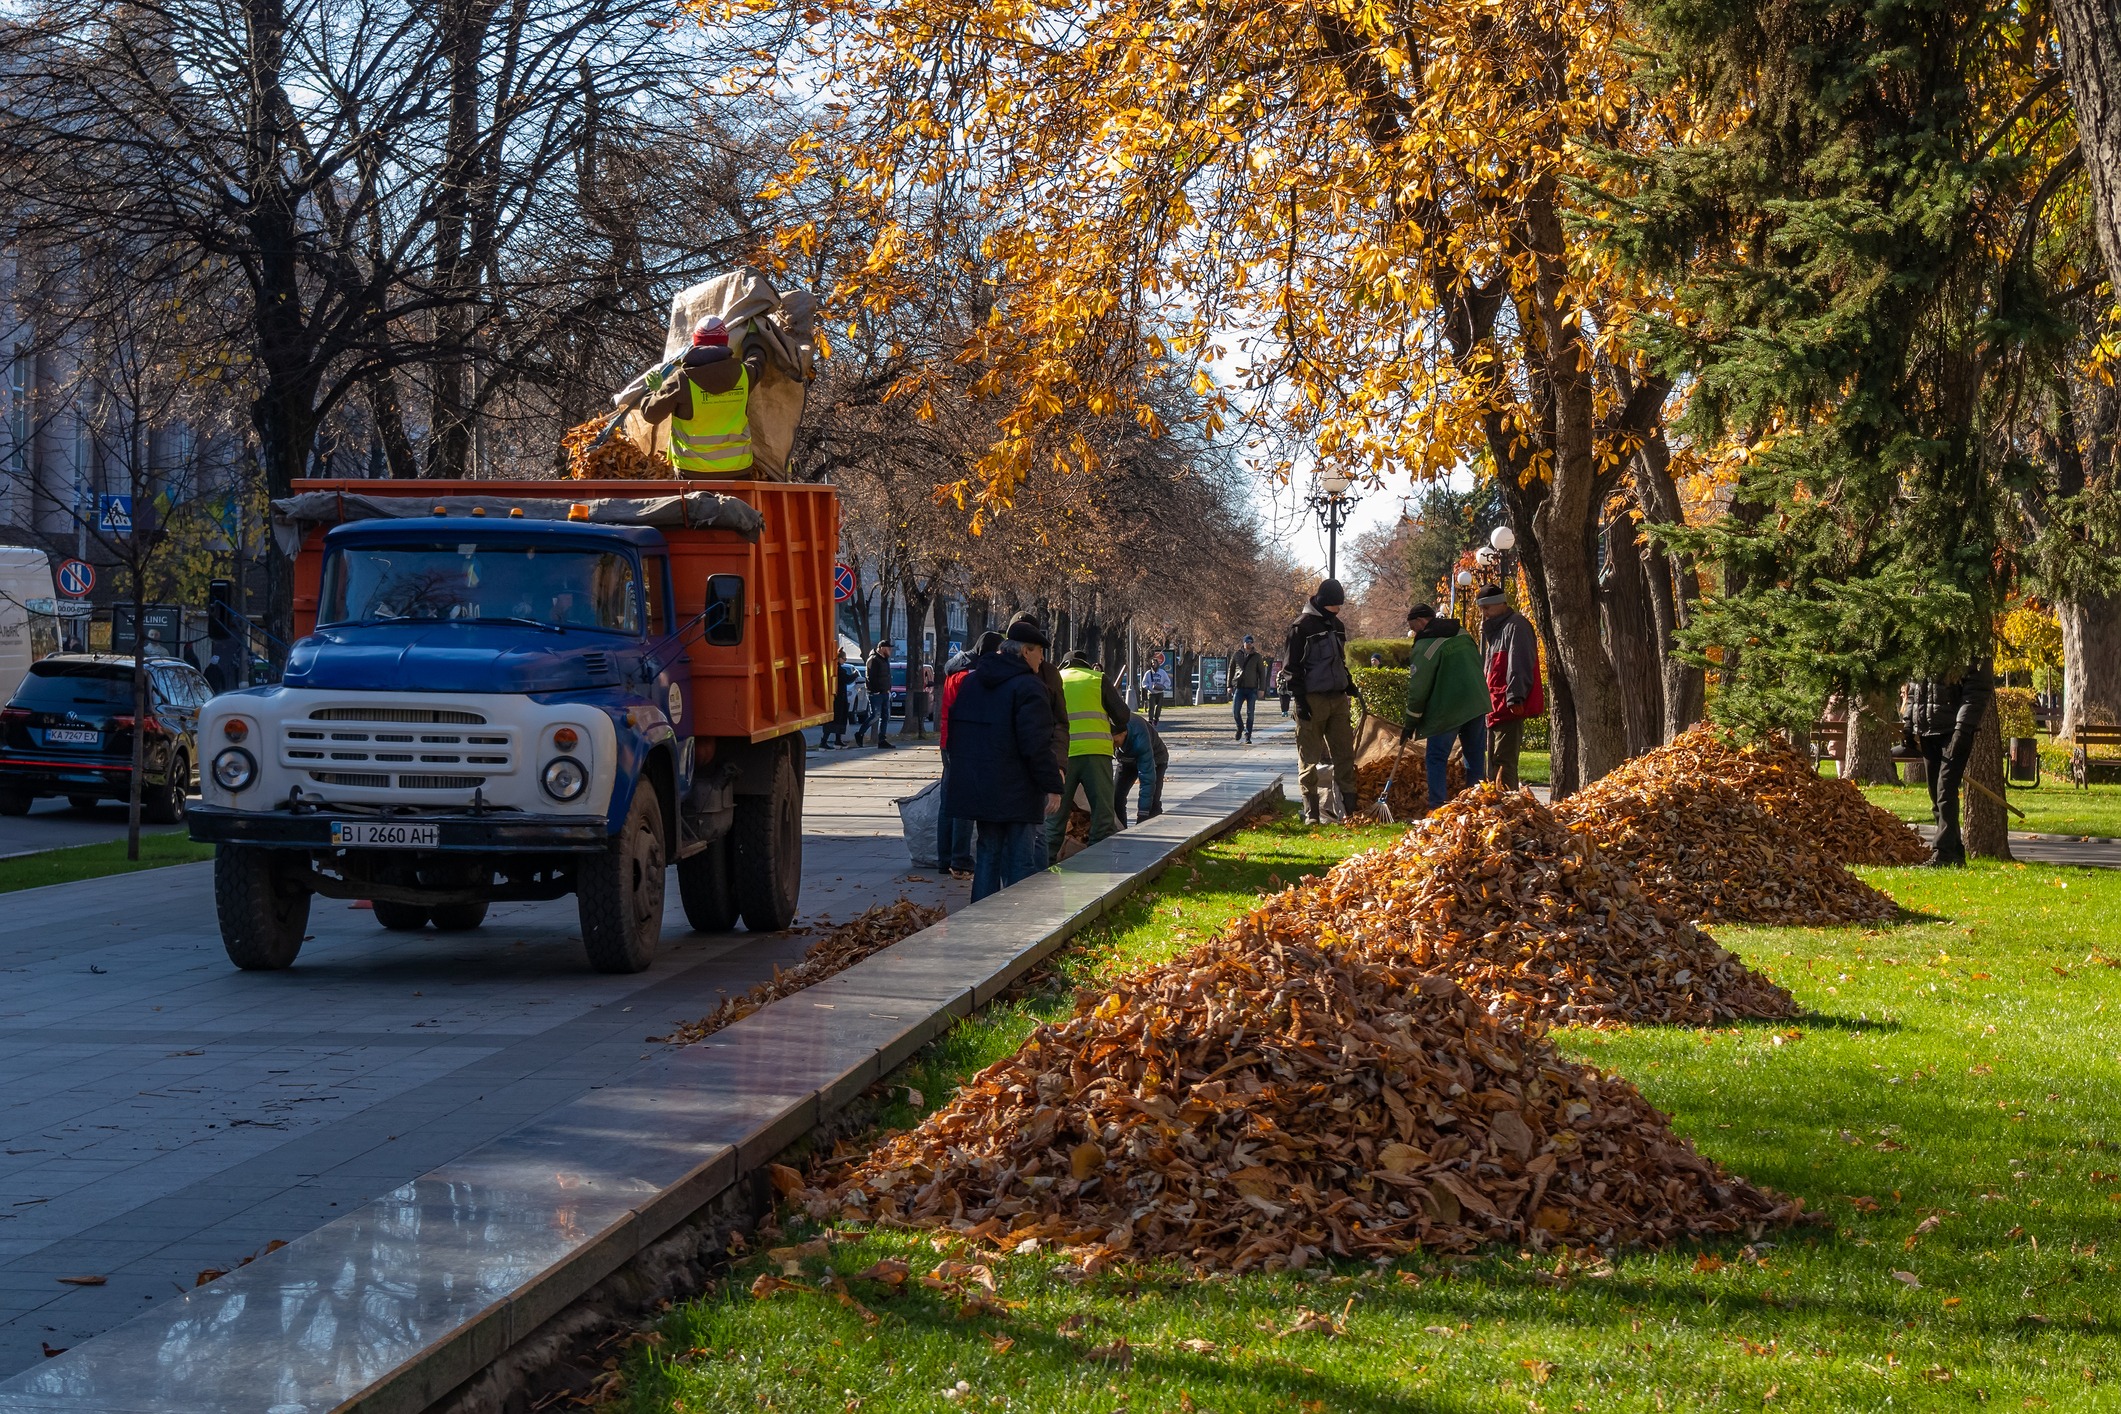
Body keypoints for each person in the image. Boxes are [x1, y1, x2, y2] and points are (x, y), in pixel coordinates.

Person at [943, 620, 1064, 900]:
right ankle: (1016, 922)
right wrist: (1053, 785)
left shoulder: (973, 681)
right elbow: (1036, 744)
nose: (1042, 659)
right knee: (1020, 858)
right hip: (1017, 789)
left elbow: (957, 734)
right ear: (1025, 652)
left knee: (987, 853)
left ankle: (980, 918)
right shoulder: (1029, 687)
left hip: (980, 787)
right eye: (1039, 653)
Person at [639, 316, 767, 477]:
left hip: (693, 473)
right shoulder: (745, 374)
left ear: (695, 342)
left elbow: (651, 414)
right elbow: (758, 361)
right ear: (726, 342)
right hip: (738, 470)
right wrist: (753, 336)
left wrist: (656, 391)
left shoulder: (682, 381)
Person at [1903, 658, 1994, 867]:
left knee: (1945, 790)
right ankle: (1953, 853)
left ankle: (1943, 853)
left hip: (1953, 730)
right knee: (1936, 793)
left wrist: (1963, 728)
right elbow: (1914, 688)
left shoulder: (1969, 645)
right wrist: (1909, 722)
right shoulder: (1926, 642)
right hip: (1927, 729)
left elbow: (1977, 691)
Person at [1399, 605, 1488, 812]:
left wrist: (1410, 722)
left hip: (1447, 709)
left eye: (1414, 628)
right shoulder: (1462, 633)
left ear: (1422, 621)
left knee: (1436, 757)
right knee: (1474, 756)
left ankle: (1438, 808)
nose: (1414, 633)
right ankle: (1476, 805)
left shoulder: (1425, 646)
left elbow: (1418, 689)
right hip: (1476, 703)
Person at [1284, 578, 1358, 823]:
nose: (1337, 612)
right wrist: (1299, 699)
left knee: (1344, 754)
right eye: (1333, 607)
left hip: (1337, 698)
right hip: (1311, 699)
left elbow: (1339, 660)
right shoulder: (1301, 627)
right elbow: (1290, 668)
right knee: (1309, 758)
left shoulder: (1337, 625)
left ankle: (1351, 810)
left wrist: (1348, 682)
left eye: (1339, 607)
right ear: (1322, 603)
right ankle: (1311, 813)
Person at [1044, 649, 1130, 859]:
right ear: (1086, 664)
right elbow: (1123, 716)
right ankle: (1097, 862)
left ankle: (1044, 865)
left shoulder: (1054, 678)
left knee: (1056, 815)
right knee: (1103, 814)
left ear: (1064, 665)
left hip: (1063, 756)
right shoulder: (1097, 679)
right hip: (1096, 754)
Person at [935, 632, 1000, 878]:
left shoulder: (955, 672)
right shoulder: (970, 677)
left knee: (948, 801)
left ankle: (945, 859)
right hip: (965, 743)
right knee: (965, 801)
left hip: (948, 741)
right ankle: (961, 859)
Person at [1476, 585, 1544, 787]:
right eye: (1482, 608)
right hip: (1495, 705)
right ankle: (1499, 802)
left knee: (1503, 761)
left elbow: (1520, 663)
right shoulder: (1497, 632)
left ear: (1503, 604)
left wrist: (1516, 696)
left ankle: (1507, 802)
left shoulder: (1516, 626)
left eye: (1488, 608)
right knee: (1495, 761)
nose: (1484, 613)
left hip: (1507, 704)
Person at [1113, 712, 1168, 827]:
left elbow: (1147, 780)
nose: (1114, 746)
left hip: (1155, 758)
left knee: (1152, 801)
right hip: (1126, 760)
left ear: (1124, 733)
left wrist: (1142, 816)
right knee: (1116, 797)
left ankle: (1152, 830)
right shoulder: (1112, 732)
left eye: (1116, 742)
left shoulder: (1140, 740)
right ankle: (1120, 831)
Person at [1230, 634, 1266, 742]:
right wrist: (1229, 685)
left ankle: (1248, 735)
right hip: (1239, 687)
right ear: (1243, 643)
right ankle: (1240, 726)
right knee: (1235, 711)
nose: (1249, 644)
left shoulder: (1257, 656)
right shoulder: (1237, 655)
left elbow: (1261, 673)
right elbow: (1231, 670)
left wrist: (1262, 689)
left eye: (1251, 642)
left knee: (1250, 714)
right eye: (1247, 642)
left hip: (1252, 688)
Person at [865, 640, 896, 749]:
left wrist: (888, 689)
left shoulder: (885, 660)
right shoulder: (873, 659)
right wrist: (875, 690)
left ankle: (882, 740)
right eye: (888, 648)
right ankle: (859, 733)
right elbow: (870, 678)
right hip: (876, 693)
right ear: (882, 648)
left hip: (885, 693)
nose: (890, 650)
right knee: (875, 715)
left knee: (885, 717)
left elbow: (886, 676)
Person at [1140, 653, 1172, 723]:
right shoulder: (1148, 673)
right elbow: (1144, 683)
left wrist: (1164, 687)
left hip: (1160, 692)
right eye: (1152, 663)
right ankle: (1150, 719)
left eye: (1155, 663)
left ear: (1158, 664)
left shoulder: (1162, 672)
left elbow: (1167, 681)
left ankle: (1156, 718)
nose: (1154, 664)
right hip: (1151, 693)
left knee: (1159, 707)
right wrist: (1148, 687)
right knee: (1151, 707)